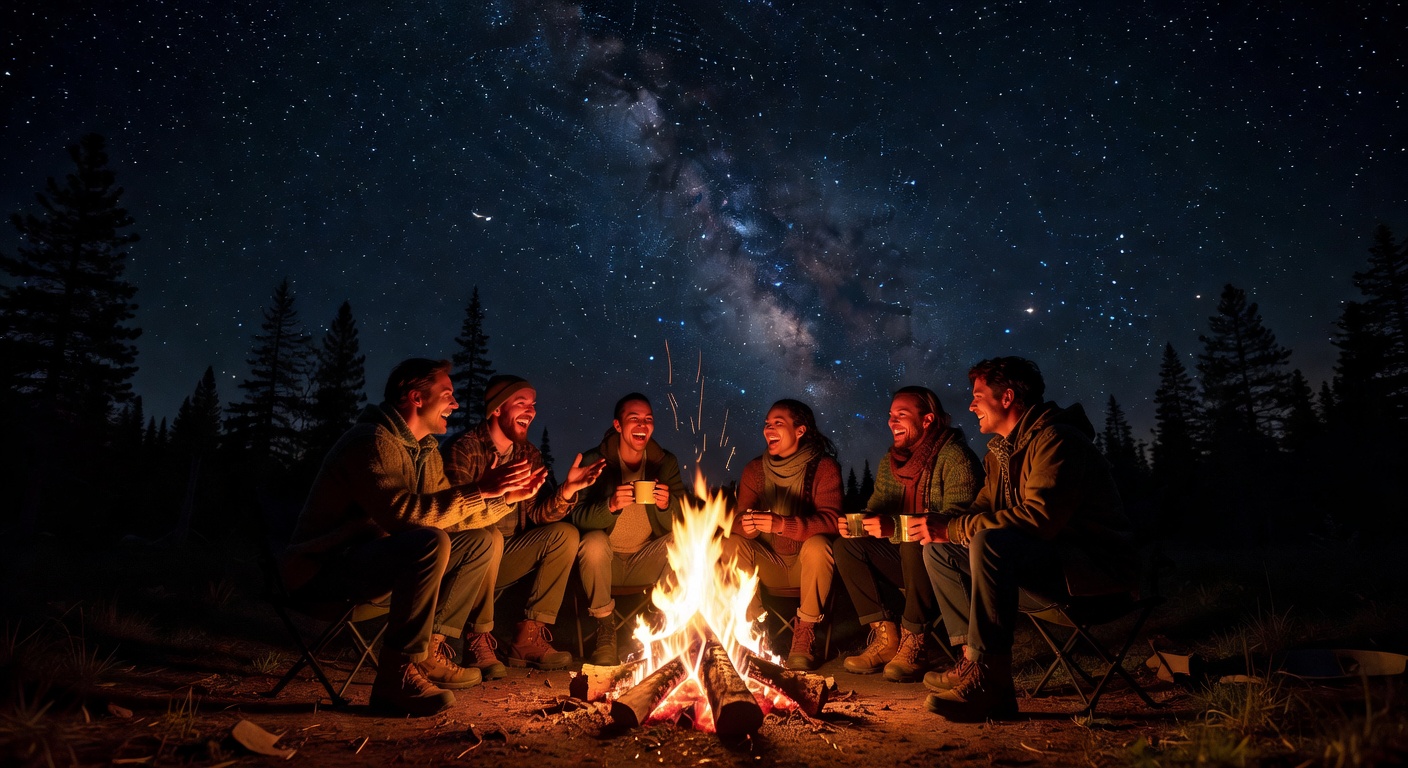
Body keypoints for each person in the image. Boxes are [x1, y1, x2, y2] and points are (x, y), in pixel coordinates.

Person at [281, 358, 538, 716]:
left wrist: (507, 499)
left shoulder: (425, 451)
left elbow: (453, 516)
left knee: (482, 539)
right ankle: (396, 676)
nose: (456, 403)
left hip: (372, 564)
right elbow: (402, 515)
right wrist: (480, 490)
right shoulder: (371, 440)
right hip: (321, 573)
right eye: (447, 394)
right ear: (417, 398)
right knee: (429, 543)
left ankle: (428, 652)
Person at [920, 357, 1135, 721]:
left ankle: (993, 684)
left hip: (1093, 577)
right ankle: (971, 661)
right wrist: (937, 524)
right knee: (940, 550)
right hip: (1048, 567)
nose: (970, 405)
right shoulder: (999, 456)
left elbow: (1040, 518)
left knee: (988, 542)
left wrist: (956, 528)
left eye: (978, 395)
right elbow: (977, 512)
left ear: (1006, 398)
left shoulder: (1058, 440)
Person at [441, 375, 606, 674]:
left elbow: (538, 516)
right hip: (468, 559)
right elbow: (453, 520)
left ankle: (528, 637)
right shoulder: (463, 449)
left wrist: (567, 491)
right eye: (521, 403)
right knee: (489, 535)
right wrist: (494, 494)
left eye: (533, 405)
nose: (531, 411)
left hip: (507, 554)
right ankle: (477, 637)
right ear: (496, 409)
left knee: (565, 534)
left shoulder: (528, 454)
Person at [834, 386, 983, 682]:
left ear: (928, 420)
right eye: (890, 416)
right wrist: (860, 522)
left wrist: (894, 526)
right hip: (907, 562)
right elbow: (877, 508)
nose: (892, 422)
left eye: (901, 415)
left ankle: (916, 640)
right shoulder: (891, 463)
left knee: (916, 542)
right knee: (846, 546)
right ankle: (886, 637)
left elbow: (957, 521)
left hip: (947, 564)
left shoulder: (956, 458)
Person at [727, 399, 843, 671]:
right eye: (767, 424)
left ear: (800, 430)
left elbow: (832, 521)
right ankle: (752, 627)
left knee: (818, 545)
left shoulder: (823, 467)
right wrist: (748, 525)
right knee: (731, 544)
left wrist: (782, 524)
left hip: (809, 565)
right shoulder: (755, 470)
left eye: (778, 423)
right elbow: (736, 523)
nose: (769, 429)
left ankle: (804, 634)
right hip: (770, 566)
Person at [572, 393, 686, 666]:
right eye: (633, 418)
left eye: (648, 419)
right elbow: (575, 516)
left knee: (682, 542)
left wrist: (666, 505)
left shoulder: (664, 462)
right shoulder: (594, 460)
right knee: (594, 541)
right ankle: (605, 631)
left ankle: (663, 624)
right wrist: (609, 506)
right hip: (603, 561)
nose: (642, 425)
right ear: (618, 425)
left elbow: (685, 517)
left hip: (645, 559)